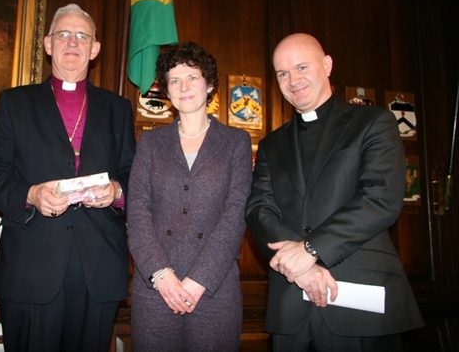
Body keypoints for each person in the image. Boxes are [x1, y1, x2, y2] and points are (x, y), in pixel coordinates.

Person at [245, 33, 424, 351]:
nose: (293, 80)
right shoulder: (272, 144)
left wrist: (311, 250)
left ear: (326, 65)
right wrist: (301, 269)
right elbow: (259, 209)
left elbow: (380, 198)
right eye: (283, 73)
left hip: (360, 298)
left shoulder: (373, 122)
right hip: (291, 302)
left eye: (301, 67)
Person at [0, 3, 136, 351]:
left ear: (95, 49)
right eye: (63, 34)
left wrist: (116, 190)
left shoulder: (117, 108)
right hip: (31, 266)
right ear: (48, 43)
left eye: (82, 36)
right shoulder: (14, 103)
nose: (72, 42)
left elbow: (131, 173)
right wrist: (31, 194)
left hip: (98, 265)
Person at [127, 41, 252, 351]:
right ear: (167, 91)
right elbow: (138, 211)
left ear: (209, 84)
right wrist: (160, 273)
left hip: (214, 289)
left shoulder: (236, 141)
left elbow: (236, 214)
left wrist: (199, 280)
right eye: (175, 80)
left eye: (192, 77)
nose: (184, 86)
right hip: (156, 289)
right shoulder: (151, 143)